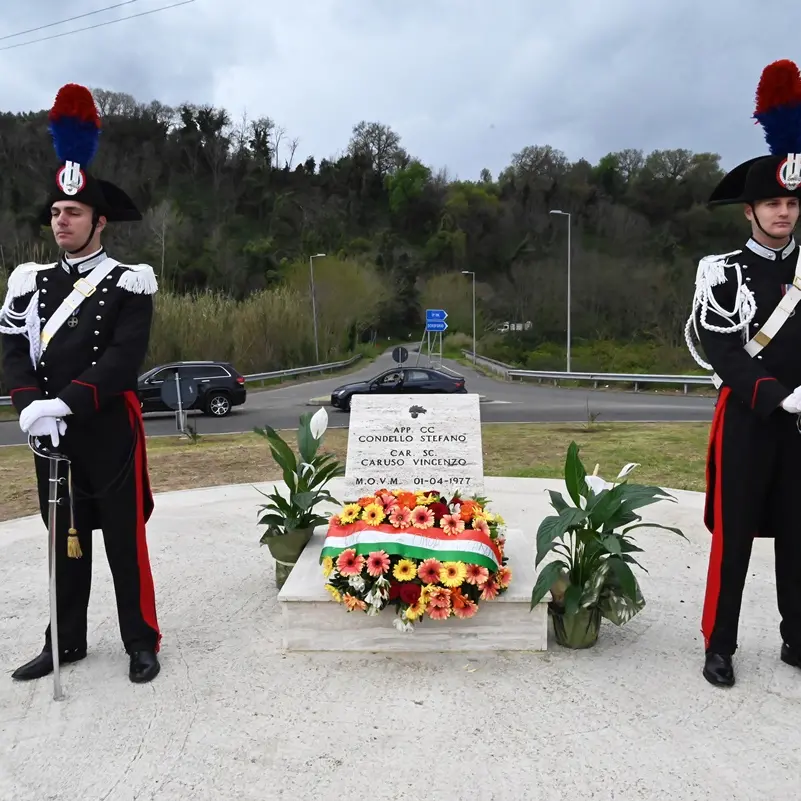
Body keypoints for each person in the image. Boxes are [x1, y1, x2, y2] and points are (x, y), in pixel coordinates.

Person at [0, 83, 162, 684]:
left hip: (106, 431)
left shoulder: (129, 282)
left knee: (124, 541)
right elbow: (14, 349)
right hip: (50, 435)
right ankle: (64, 642)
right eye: (55, 213)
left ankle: (140, 641)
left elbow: (122, 361)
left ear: (99, 221)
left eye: (72, 213)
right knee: (63, 544)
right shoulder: (29, 282)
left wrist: (62, 404)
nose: (60, 221)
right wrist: (28, 407)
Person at [685, 59, 801, 687]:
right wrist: (777, 396)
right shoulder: (721, 271)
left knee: (799, 537)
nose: (783, 213)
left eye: (791, 202)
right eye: (772, 203)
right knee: (732, 543)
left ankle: (797, 638)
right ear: (748, 211)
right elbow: (719, 347)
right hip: (751, 422)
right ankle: (719, 645)